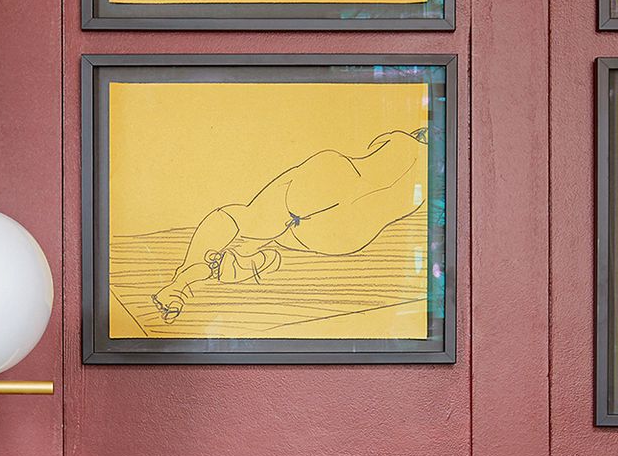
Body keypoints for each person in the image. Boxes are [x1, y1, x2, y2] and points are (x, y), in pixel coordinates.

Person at [149, 126, 426, 322]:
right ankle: (248, 260)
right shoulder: (425, 187)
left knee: (250, 218)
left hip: (333, 176)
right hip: (349, 235)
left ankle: (185, 278)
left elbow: (375, 147)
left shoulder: (401, 139)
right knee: (278, 237)